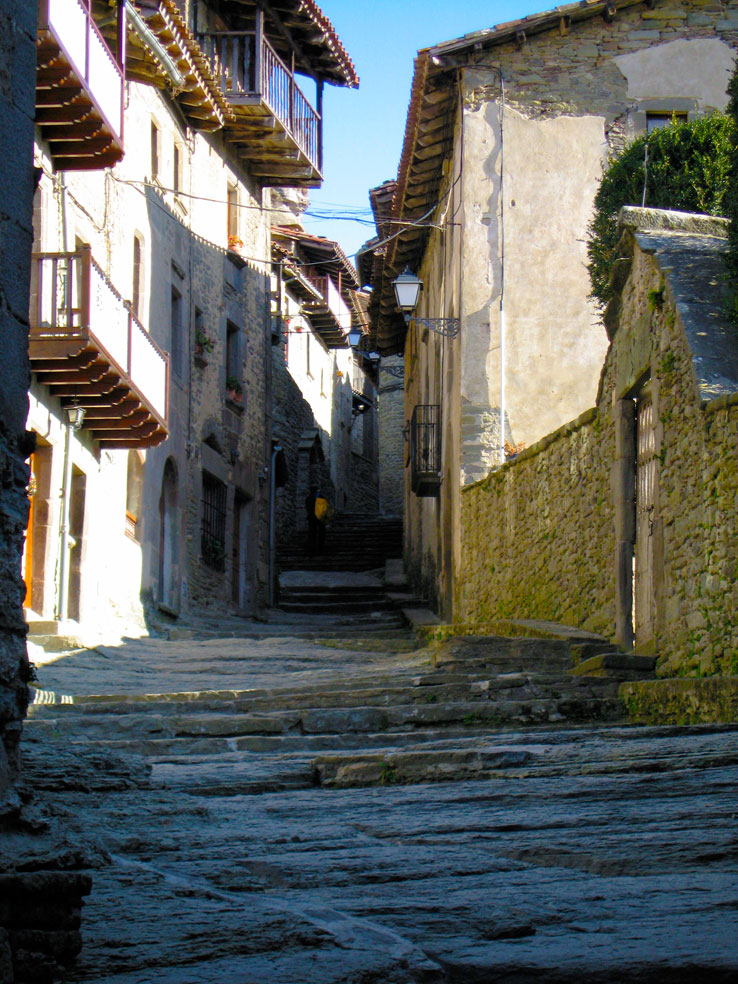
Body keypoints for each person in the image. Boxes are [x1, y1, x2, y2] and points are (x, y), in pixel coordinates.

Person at [305, 486, 326, 556]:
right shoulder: (321, 497)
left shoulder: (308, 498)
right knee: (321, 533)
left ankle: (312, 548)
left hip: (312, 517)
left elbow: (307, 507)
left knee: (312, 533)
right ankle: (320, 547)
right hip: (319, 517)